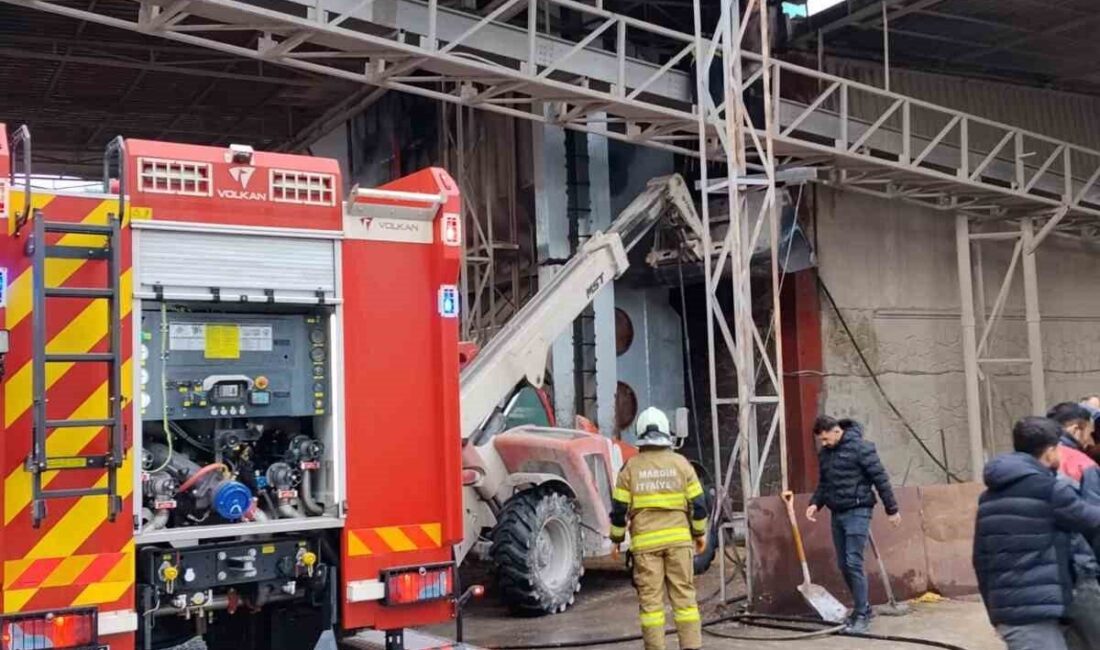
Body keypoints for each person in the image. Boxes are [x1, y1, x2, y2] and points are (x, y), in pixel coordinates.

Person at [974, 416, 1100, 650]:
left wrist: (995, 612)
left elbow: (980, 559)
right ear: (1050, 451)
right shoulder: (1048, 489)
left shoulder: (988, 496)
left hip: (1012, 611)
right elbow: (1091, 519)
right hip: (1039, 610)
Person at [610, 407, 708, 650]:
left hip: (646, 547)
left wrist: (616, 538)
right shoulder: (682, 464)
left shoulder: (630, 468)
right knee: (685, 600)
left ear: (640, 433)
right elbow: (699, 505)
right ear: (666, 433)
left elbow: (619, 509)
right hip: (679, 544)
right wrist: (699, 534)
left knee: (651, 606)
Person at [805, 416, 900, 634]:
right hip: (837, 512)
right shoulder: (825, 454)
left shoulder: (862, 448)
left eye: (826, 439)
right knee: (843, 564)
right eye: (821, 440)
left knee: (853, 562)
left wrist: (892, 509)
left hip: (859, 510)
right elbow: (824, 484)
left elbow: (880, 479)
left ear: (836, 431)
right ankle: (862, 608)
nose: (824, 443)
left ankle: (862, 614)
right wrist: (815, 504)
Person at [1049, 402, 1100, 650]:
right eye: (1089, 433)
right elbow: (1094, 524)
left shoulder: (1030, 458)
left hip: (1043, 570)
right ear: (1076, 429)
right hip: (1080, 567)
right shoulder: (1082, 464)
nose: (1090, 441)